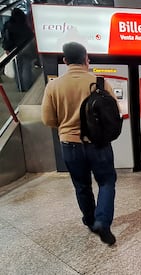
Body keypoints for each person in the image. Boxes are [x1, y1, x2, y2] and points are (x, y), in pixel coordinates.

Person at [41, 42, 117, 245]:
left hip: (70, 145)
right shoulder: (100, 82)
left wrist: (66, 125)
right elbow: (114, 113)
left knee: (82, 186)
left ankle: (90, 220)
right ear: (86, 59)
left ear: (65, 61)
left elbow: (47, 119)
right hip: (98, 145)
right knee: (107, 182)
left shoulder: (54, 85)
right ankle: (102, 221)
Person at [1, 8, 36, 92]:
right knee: (26, 67)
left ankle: (20, 86)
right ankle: (27, 85)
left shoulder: (8, 24)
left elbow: (6, 38)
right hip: (27, 46)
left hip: (15, 49)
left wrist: (6, 48)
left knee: (18, 68)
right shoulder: (24, 23)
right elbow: (30, 33)